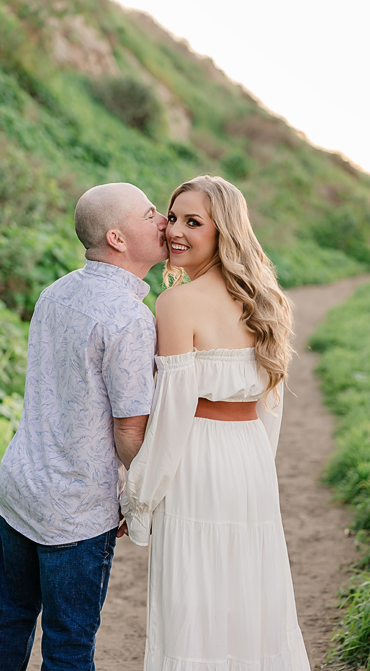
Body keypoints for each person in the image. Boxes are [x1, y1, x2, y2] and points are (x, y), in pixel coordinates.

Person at [0, 183, 169, 669]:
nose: (163, 222)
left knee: (10, 616)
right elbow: (129, 430)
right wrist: (139, 496)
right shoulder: (130, 318)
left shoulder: (56, 290)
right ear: (118, 238)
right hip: (76, 507)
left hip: (23, 485)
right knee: (68, 645)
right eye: (150, 215)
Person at [121, 175, 310, 669]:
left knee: (191, 596)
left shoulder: (175, 303)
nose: (175, 231)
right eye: (174, 217)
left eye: (194, 222)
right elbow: (271, 406)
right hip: (248, 460)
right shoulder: (265, 297)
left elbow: (172, 415)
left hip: (196, 461)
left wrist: (139, 497)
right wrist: (255, 466)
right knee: (249, 592)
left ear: (223, 231)